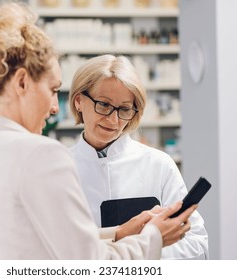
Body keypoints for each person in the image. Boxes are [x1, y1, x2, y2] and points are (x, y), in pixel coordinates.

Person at [0, 2, 195, 260]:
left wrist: (119, 232)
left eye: (124, 109)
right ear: (22, 82)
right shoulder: (38, 155)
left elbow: (37, 244)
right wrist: (154, 237)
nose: (53, 108)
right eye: (52, 90)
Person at [68, 54, 209, 259]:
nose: (113, 120)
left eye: (124, 109)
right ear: (79, 101)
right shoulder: (60, 167)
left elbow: (197, 243)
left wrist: (145, 252)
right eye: (104, 105)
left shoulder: (159, 164)